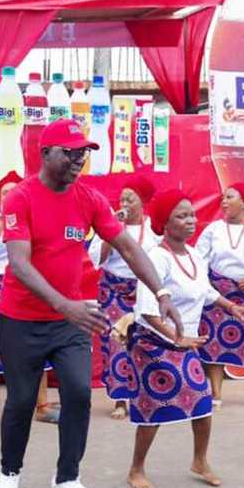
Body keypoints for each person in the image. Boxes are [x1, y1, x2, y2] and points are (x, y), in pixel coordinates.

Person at [0, 119, 183, 488]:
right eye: (70, 152)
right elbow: (20, 264)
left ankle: (66, 482)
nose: (79, 159)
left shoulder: (89, 198)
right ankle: (9, 473)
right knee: (22, 401)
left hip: (72, 322)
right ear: (46, 153)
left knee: (79, 393)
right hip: (22, 320)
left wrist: (161, 292)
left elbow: (128, 247)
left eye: (83, 153)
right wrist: (65, 304)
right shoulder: (21, 198)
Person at [126, 188, 244, 488]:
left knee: (201, 401)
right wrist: (178, 337)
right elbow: (148, 311)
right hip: (154, 344)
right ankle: (136, 469)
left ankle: (200, 461)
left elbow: (206, 290)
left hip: (185, 343)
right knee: (153, 408)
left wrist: (231, 306)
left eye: (192, 215)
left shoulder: (195, 255)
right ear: (164, 221)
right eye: (181, 216)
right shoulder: (156, 258)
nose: (191, 221)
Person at [0, 171, 57, 430]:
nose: (11, 196)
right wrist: (3, 218)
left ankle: (42, 406)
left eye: (16, 192)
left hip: (27, 285)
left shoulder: (37, 218)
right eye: (6, 193)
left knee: (38, 344)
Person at [87, 172, 160, 420]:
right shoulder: (109, 223)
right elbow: (97, 259)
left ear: (143, 201)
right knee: (117, 344)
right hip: (114, 291)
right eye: (122, 199)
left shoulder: (154, 229)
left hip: (143, 291)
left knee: (145, 343)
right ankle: (120, 400)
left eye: (131, 199)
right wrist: (111, 231)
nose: (125, 204)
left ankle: (146, 396)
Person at [194, 182, 244, 408]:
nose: (224, 202)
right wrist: (206, 286)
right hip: (218, 296)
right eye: (223, 197)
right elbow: (199, 258)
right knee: (214, 344)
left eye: (230, 197)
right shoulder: (213, 230)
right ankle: (216, 394)